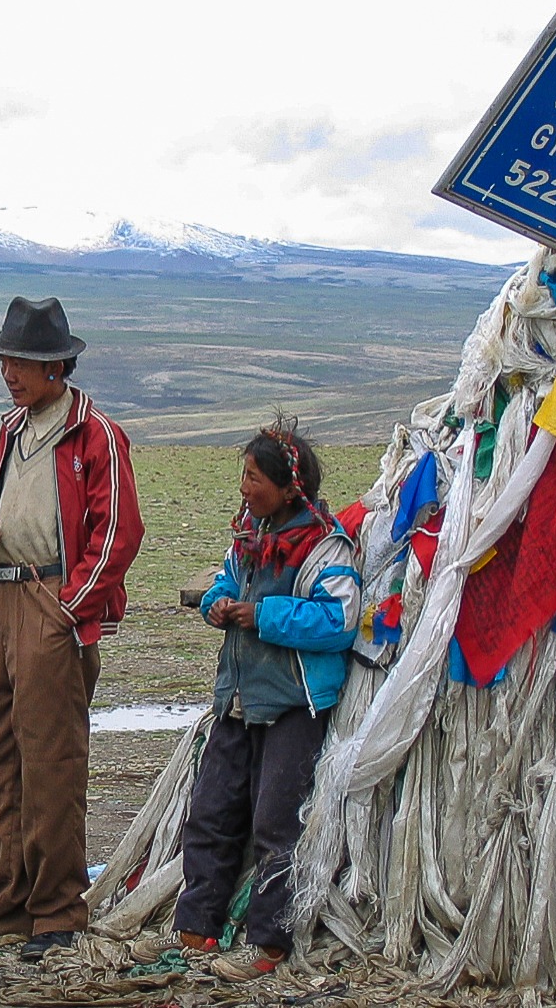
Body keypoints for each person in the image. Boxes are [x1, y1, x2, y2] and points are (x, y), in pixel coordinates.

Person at [132, 418, 361, 982]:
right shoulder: (251, 541)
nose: (244, 487)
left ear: (289, 487)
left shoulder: (325, 549)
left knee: (275, 825)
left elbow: (339, 620)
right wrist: (217, 602)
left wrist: (260, 615)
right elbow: (226, 582)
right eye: (244, 474)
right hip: (237, 699)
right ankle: (196, 931)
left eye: (255, 477)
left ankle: (268, 945)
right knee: (211, 813)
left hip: (291, 707)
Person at [0, 296, 144, 963]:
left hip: (49, 599)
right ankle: (8, 905)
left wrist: (73, 606)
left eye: (24, 361)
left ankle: (56, 910)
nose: (11, 371)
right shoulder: (12, 430)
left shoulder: (97, 433)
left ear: (56, 366)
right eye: (7, 358)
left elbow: (119, 530)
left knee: (50, 762)